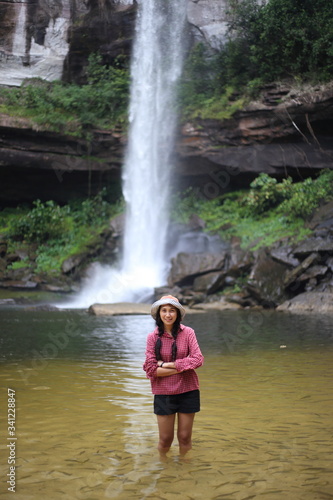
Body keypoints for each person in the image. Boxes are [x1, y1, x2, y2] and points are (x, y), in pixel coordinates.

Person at [143, 295, 204, 457]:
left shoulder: (188, 332)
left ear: (177, 314)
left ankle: (185, 470)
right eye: (164, 311)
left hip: (188, 390)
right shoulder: (152, 337)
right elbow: (150, 369)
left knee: (185, 438)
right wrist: (184, 366)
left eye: (172, 311)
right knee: (165, 439)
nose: (168, 314)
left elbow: (198, 360)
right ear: (159, 314)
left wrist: (166, 364)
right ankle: (164, 471)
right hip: (164, 392)